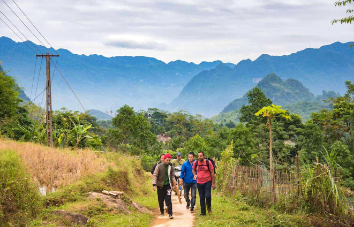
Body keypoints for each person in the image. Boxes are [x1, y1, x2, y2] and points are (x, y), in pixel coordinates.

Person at [152, 153, 177, 219]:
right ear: (164, 160)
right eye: (167, 160)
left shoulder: (170, 167)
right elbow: (155, 175)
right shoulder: (159, 166)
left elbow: (172, 176)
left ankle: (170, 213)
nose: (168, 161)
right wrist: (154, 184)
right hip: (160, 186)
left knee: (168, 199)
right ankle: (162, 211)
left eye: (169, 160)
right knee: (160, 199)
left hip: (168, 186)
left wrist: (174, 184)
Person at [192, 151, 216, 216]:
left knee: (208, 196)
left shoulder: (208, 162)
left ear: (203, 156)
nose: (199, 157)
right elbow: (193, 169)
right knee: (201, 197)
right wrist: (194, 175)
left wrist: (213, 183)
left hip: (207, 181)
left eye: (201, 156)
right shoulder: (195, 163)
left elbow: (212, 173)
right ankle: (203, 212)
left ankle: (209, 207)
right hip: (199, 182)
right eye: (198, 156)